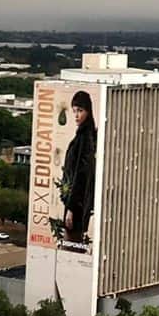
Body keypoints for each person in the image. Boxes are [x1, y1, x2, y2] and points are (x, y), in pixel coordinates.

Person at [59, 90, 97, 244]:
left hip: (77, 204)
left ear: (88, 111)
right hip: (77, 202)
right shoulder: (84, 135)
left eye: (80, 111)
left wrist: (71, 208)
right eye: (74, 111)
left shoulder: (85, 138)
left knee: (71, 245)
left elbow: (81, 175)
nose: (76, 115)